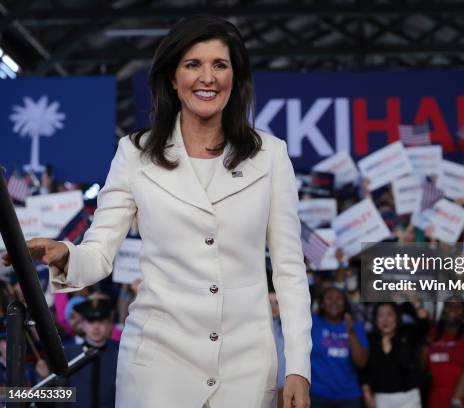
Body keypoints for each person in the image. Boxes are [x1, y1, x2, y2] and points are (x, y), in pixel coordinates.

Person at [3, 15, 312, 408]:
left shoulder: (270, 155)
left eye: (220, 64)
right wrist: (64, 254)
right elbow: (98, 254)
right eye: (192, 64)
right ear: (171, 78)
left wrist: (298, 366)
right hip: (157, 363)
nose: (208, 77)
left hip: (248, 366)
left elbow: (289, 269)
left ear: (236, 77)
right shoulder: (135, 153)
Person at [38, 297, 120, 408]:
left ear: (109, 324)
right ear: (81, 324)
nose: (96, 327)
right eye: (90, 321)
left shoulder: (119, 354)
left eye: (101, 321)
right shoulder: (67, 354)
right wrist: (44, 378)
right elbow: (55, 398)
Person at [310, 287, 368, 408]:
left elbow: (361, 362)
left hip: (349, 396)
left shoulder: (356, 326)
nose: (334, 302)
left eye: (339, 299)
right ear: (321, 303)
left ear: (345, 304)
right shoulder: (312, 322)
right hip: (318, 394)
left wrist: (351, 332)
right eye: (329, 298)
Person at [362, 302, 427, 408]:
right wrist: (367, 394)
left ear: (397, 317)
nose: (385, 320)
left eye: (389, 315)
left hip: (409, 397)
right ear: (375, 319)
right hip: (381, 397)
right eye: (381, 316)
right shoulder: (370, 339)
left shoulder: (407, 334)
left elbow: (424, 325)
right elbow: (364, 369)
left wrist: (415, 301)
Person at [426, 297, 464, 408]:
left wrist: (457, 399)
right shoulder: (434, 333)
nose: (453, 309)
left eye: (458, 307)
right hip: (438, 397)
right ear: (443, 311)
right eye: (449, 305)